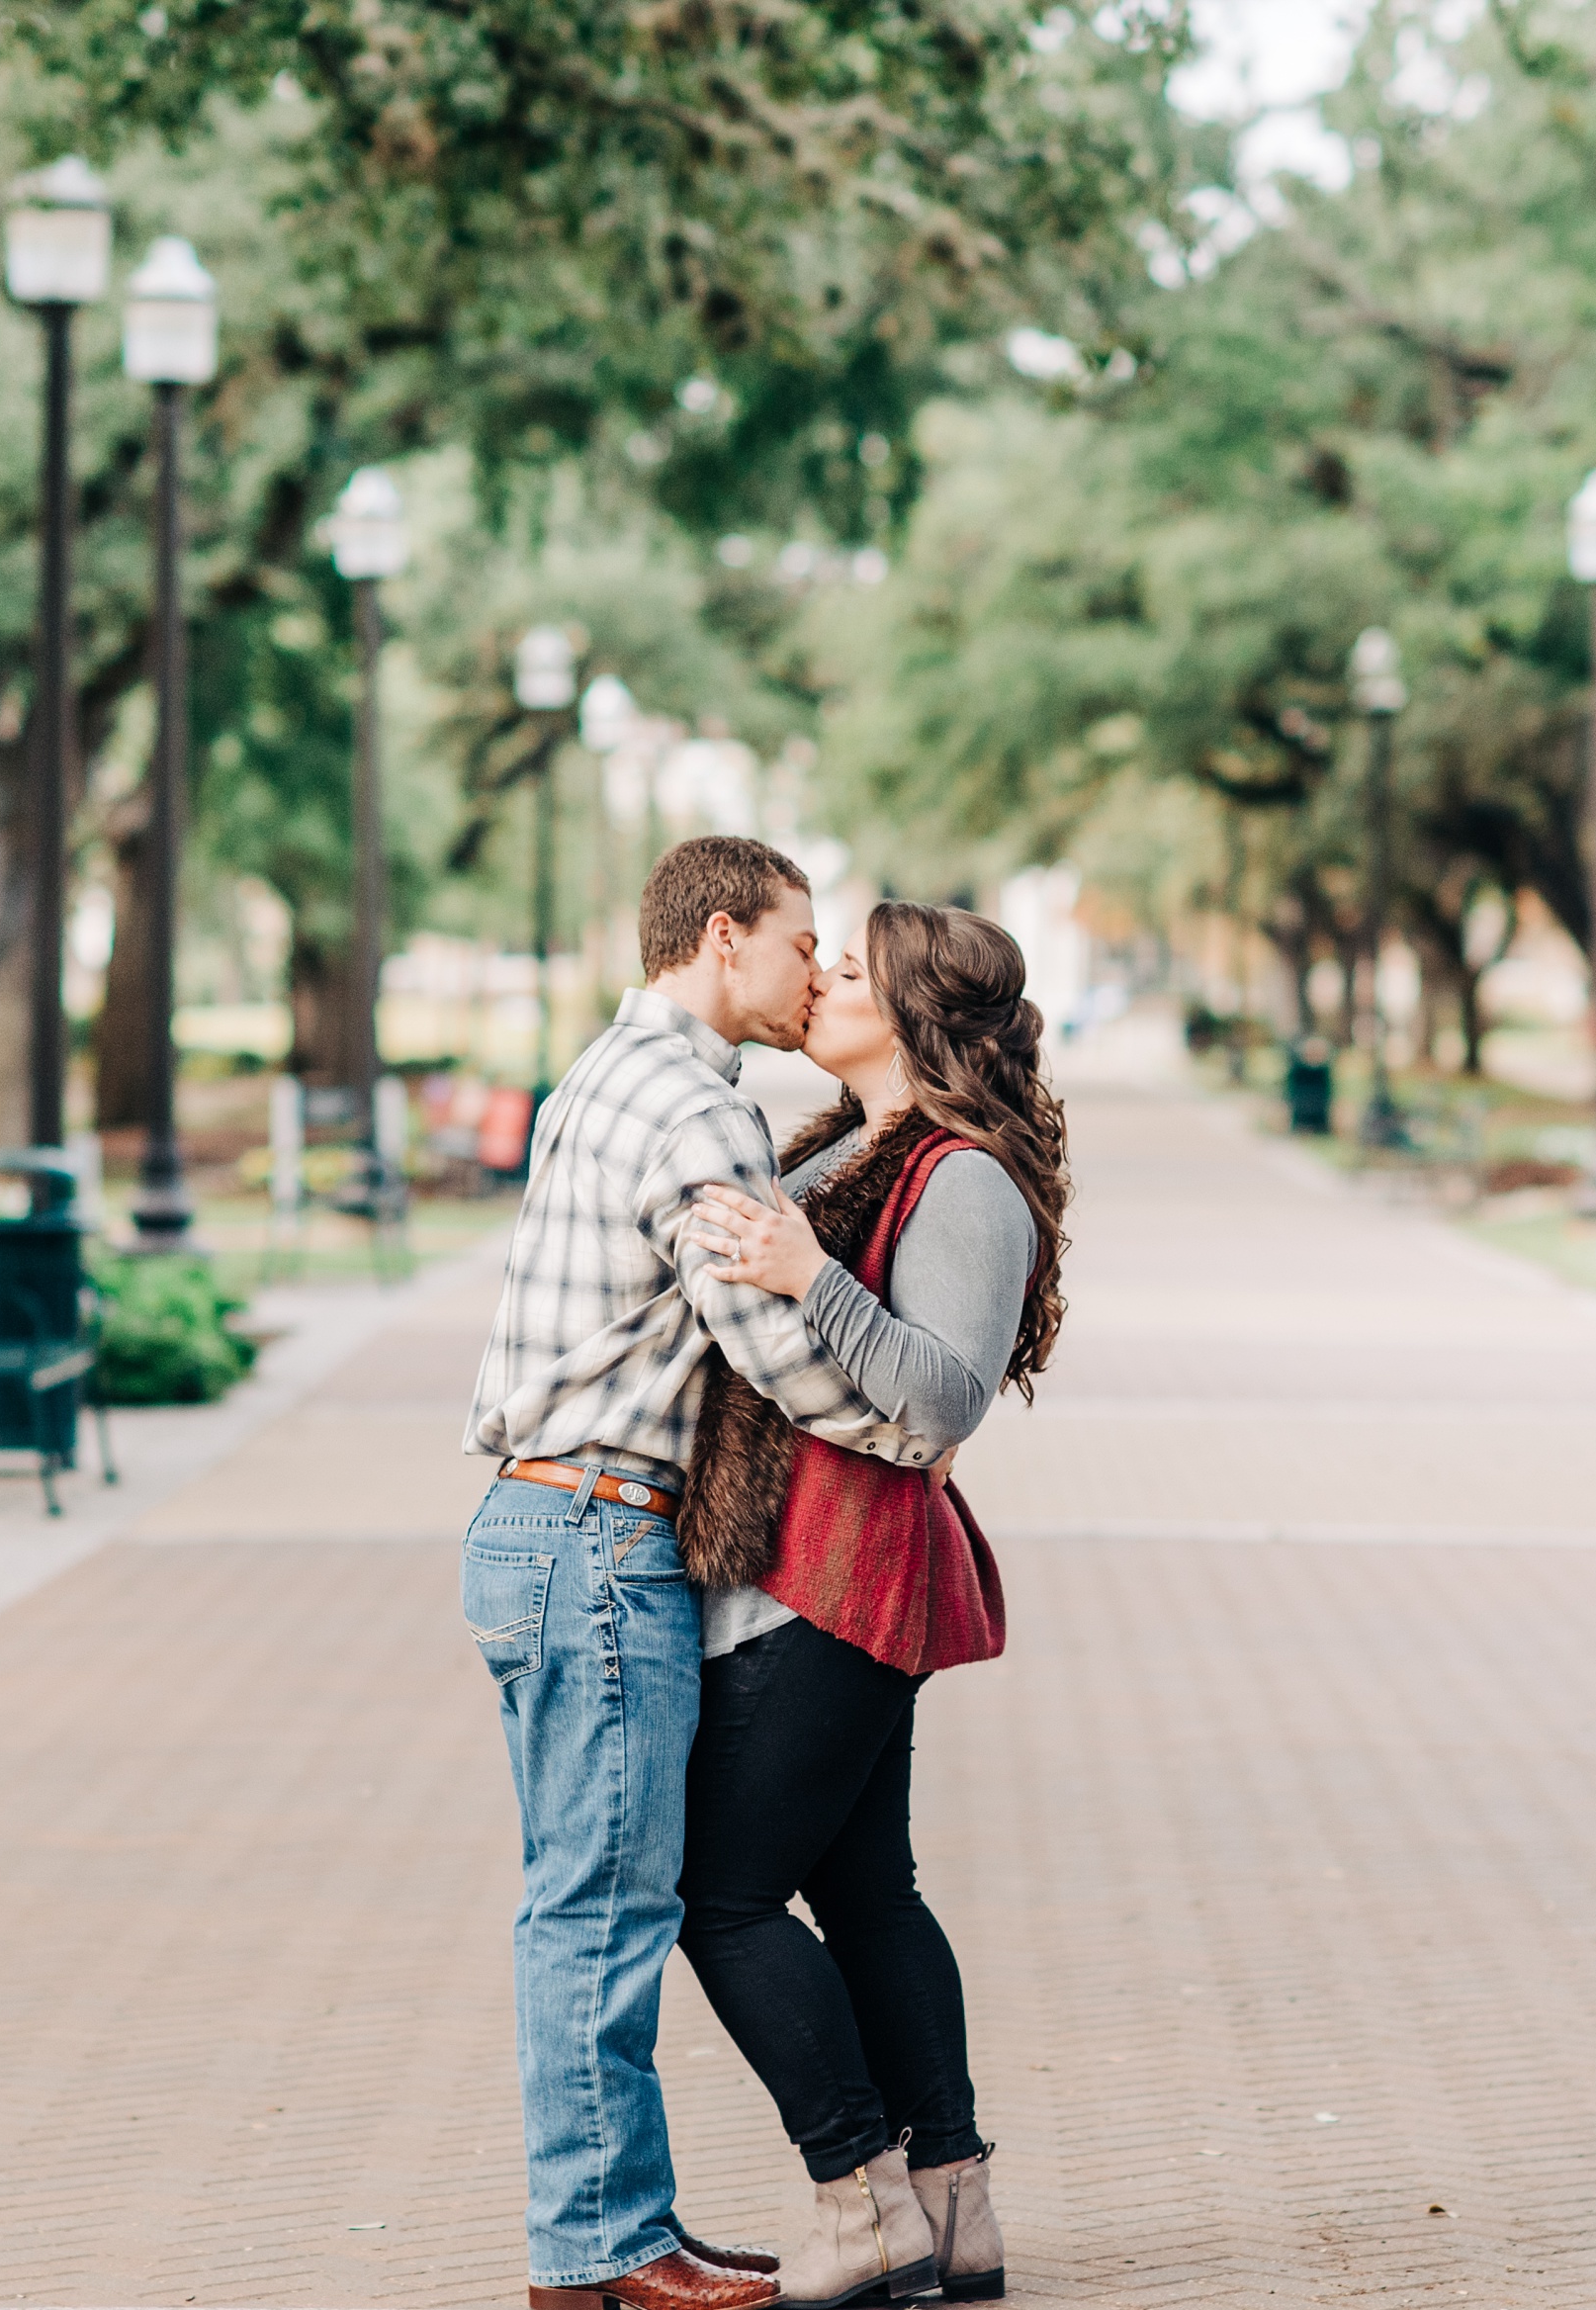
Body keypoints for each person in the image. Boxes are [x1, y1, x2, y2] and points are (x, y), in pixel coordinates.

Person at [464, 838, 959, 2310]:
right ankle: (605, 2251)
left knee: (589, 1900)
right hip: (601, 1536)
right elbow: (774, 1347)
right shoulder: (696, 1112)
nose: (818, 973)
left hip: (536, 1528)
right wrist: (911, 1425)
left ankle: (616, 2232)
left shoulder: (603, 1077)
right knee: (607, 1909)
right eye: (803, 943)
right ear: (725, 937)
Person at [674, 902, 1071, 2310]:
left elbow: (944, 1390)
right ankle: (954, 2211)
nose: (821, 979)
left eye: (849, 970)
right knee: (861, 1885)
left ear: (912, 1014)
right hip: (806, 1561)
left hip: (841, 1578)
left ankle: (863, 2200)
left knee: (716, 1894)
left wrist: (807, 1275)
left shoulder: (959, 1176)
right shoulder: (846, 1142)